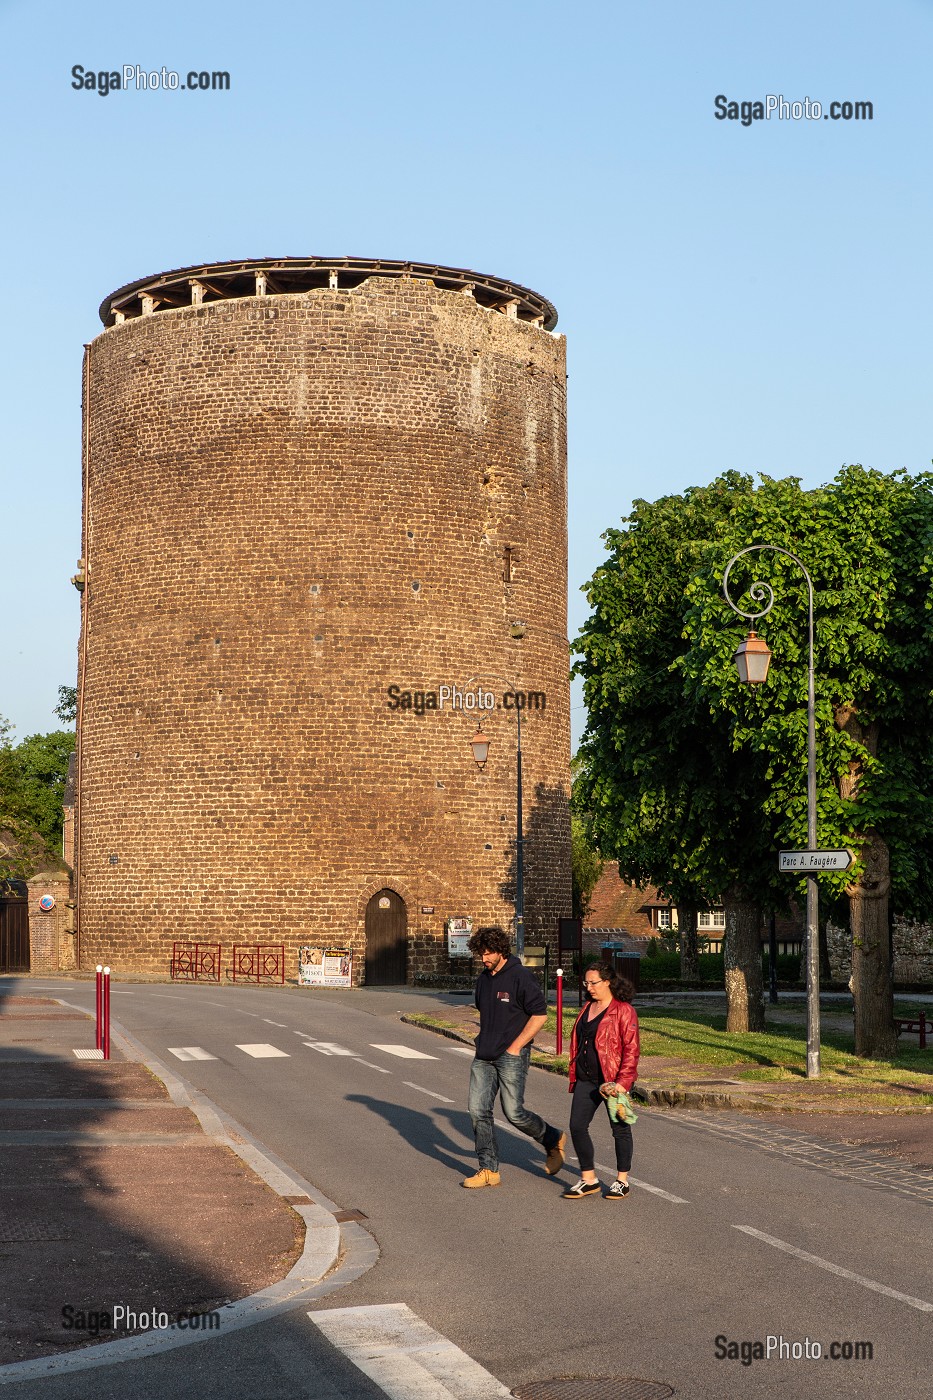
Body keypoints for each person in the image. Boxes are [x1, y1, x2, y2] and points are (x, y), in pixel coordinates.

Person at [462, 926, 566, 1189]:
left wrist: (516, 1046)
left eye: (487, 954)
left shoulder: (521, 976)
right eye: (480, 954)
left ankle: (552, 1138)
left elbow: (540, 1014)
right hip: (484, 1055)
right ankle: (488, 1169)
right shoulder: (484, 979)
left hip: (511, 1055)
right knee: (477, 1111)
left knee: (514, 1113)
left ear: (500, 950)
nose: (483, 959)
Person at [562, 961, 639, 1200]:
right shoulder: (587, 1007)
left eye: (594, 982)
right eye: (586, 982)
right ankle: (589, 1179)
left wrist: (622, 1083)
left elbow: (631, 1049)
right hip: (587, 1079)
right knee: (577, 1126)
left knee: (620, 1129)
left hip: (613, 1082)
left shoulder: (623, 1010)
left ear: (607, 981)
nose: (589, 987)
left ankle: (621, 1181)